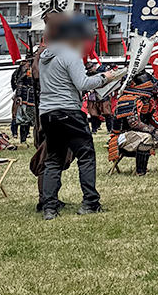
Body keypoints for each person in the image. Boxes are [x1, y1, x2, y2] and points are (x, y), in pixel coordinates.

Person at [35, 18, 125, 219]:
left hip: (47, 114)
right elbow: (83, 83)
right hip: (69, 111)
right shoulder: (70, 55)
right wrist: (106, 78)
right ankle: (90, 202)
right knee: (85, 155)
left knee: (53, 159)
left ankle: (49, 208)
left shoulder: (44, 57)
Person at [110, 71, 158, 175]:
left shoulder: (146, 100)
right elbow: (134, 123)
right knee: (146, 138)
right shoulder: (127, 99)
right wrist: (152, 130)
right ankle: (141, 171)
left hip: (141, 134)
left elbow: (155, 119)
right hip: (122, 136)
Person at [10, 47, 37, 145]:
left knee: (35, 120)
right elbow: (19, 82)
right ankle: (23, 140)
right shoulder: (25, 67)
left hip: (35, 96)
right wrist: (19, 96)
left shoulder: (38, 65)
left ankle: (35, 140)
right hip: (25, 96)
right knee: (23, 120)